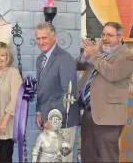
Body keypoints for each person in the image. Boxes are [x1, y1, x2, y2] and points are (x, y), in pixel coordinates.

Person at [76, 22, 133, 162]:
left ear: (120, 37)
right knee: (88, 157)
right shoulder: (98, 54)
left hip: (108, 117)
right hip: (88, 114)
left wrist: (95, 55)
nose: (104, 38)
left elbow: (112, 74)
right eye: (103, 34)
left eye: (109, 35)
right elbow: (77, 64)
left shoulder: (128, 57)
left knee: (107, 158)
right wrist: (85, 56)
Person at [34, 22, 81, 162]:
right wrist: (39, 111)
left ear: (54, 37)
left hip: (62, 121)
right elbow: (42, 89)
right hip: (48, 120)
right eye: (38, 38)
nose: (41, 42)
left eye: (44, 38)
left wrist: (53, 118)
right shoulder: (40, 59)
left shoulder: (64, 58)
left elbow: (69, 94)